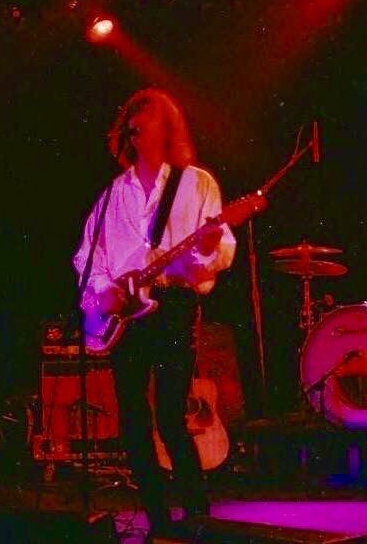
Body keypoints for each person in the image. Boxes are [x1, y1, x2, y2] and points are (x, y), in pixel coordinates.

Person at [73, 89, 235, 539]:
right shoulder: (112, 194)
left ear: (167, 129)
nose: (138, 130)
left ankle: (198, 520)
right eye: (133, 123)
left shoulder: (195, 183)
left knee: (171, 417)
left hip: (173, 305)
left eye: (148, 121)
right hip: (124, 314)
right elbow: (88, 256)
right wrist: (103, 293)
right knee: (133, 423)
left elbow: (221, 250)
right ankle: (159, 523)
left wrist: (204, 250)